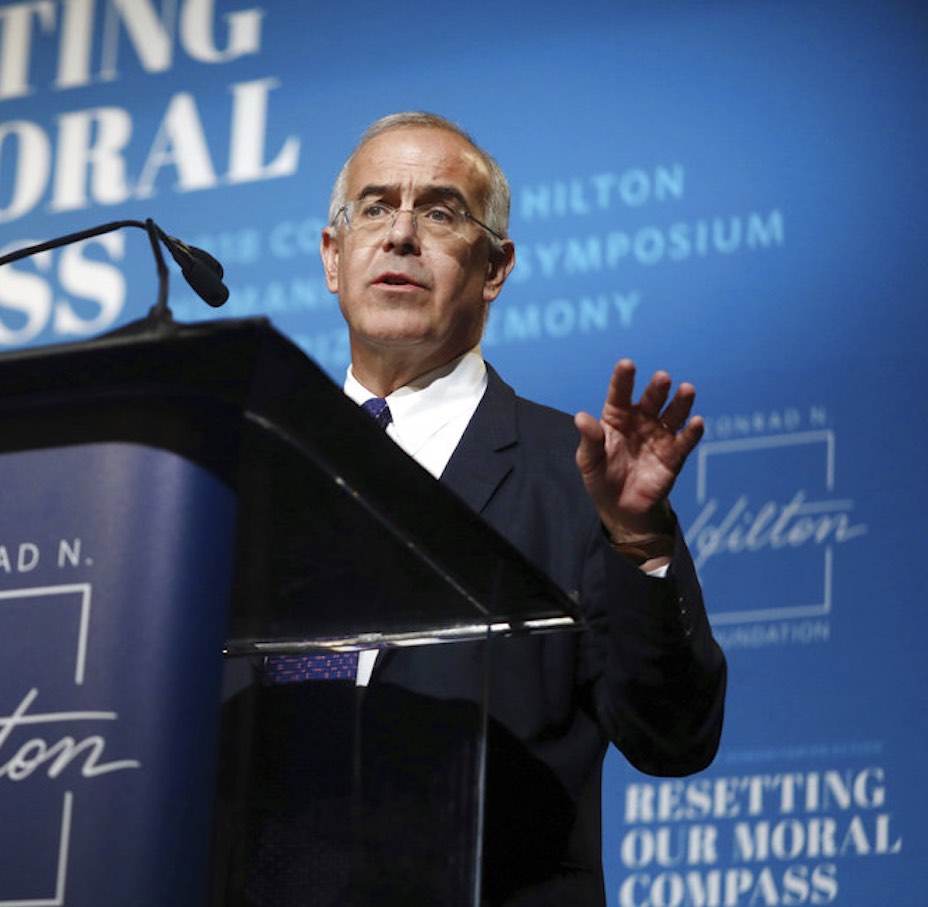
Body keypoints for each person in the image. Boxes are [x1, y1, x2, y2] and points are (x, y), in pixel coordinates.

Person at [228, 112, 727, 906]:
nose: (400, 235)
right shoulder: (238, 477)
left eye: (439, 211)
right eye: (375, 206)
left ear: (495, 267)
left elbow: (674, 737)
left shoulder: (574, 475)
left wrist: (637, 539)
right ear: (333, 256)